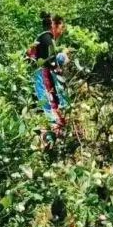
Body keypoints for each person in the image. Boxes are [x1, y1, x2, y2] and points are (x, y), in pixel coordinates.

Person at [27, 12, 70, 147]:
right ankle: (53, 140)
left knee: (47, 105)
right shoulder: (47, 38)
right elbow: (50, 61)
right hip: (42, 78)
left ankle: (52, 138)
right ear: (54, 25)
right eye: (61, 28)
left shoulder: (41, 39)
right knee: (49, 106)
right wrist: (63, 57)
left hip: (40, 78)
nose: (61, 32)